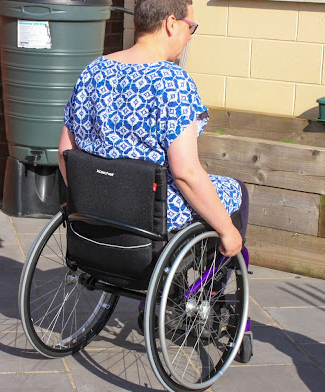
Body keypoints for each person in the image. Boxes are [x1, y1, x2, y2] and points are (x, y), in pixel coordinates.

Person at [57, 0, 248, 258]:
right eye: (190, 27)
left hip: (95, 210)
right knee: (236, 191)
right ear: (171, 23)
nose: (189, 37)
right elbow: (186, 173)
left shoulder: (94, 70)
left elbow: (65, 151)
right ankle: (210, 291)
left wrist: (86, 202)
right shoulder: (172, 82)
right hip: (153, 217)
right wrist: (226, 229)